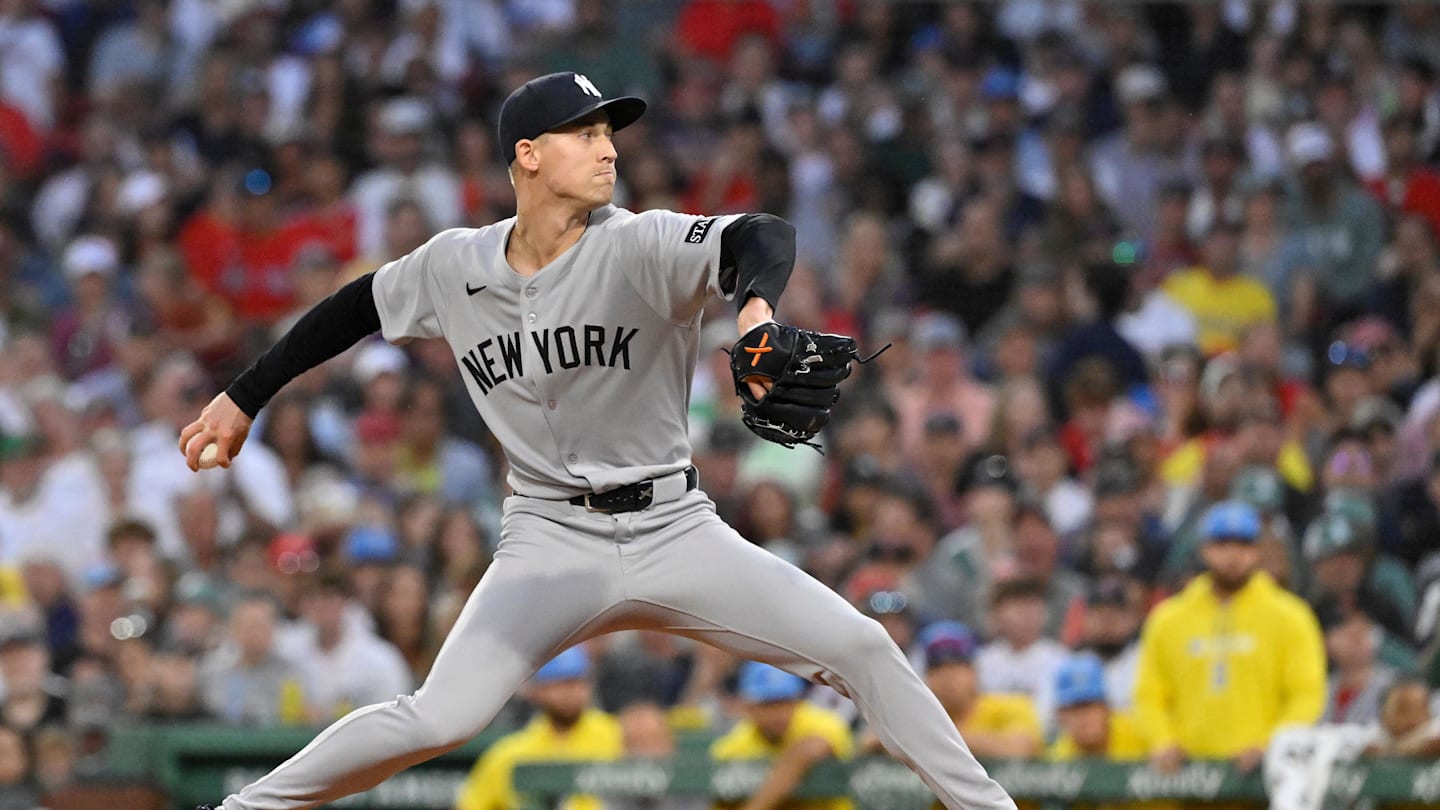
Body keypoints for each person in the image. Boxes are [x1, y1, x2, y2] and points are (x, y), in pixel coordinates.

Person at [181, 72, 1016, 810]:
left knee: (862, 648)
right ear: (528, 156)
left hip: (674, 529)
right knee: (440, 716)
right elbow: (351, 308)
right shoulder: (455, 265)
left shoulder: (639, 242)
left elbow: (761, 237)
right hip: (547, 537)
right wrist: (243, 397)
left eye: (608, 132)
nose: (607, 149)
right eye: (584, 134)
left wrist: (756, 311)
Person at [1134, 500, 1326, 775]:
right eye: (1222, 545)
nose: (1233, 556)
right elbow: (1148, 695)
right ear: (1203, 549)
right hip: (1189, 782)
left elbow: (1307, 695)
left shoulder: (1290, 616)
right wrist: (1162, 740)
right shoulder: (1168, 619)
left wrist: (1270, 744)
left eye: (1243, 545)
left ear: (1258, 551)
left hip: (1261, 781)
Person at [454, 646, 622, 810]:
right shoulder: (508, 754)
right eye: (561, 684)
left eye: (579, 682)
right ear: (538, 690)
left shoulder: (618, 735)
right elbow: (469, 804)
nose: (572, 692)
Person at [710, 662, 854, 810]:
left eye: (785, 702)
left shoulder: (819, 720)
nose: (779, 713)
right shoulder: (736, 744)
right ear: (749, 707)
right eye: (768, 704)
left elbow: (811, 748)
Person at [1046, 653, 1149, 761]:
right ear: (1060, 716)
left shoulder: (1141, 737)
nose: (1083, 717)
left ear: (1107, 708)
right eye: (1074, 709)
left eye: (1089, 706)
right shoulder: (1058, 760)